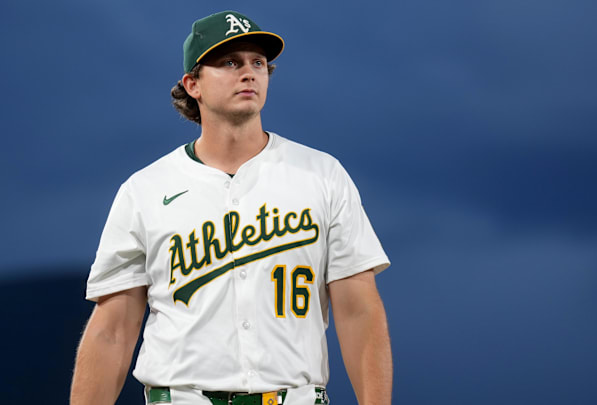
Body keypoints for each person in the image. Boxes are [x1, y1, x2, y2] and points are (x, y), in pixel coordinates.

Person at [70, 11, 392, 405]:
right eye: (229, 62)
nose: (249, 72)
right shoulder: (146, 190)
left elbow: (359, 310)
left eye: (258, 62)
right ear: (193, 85)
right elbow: (113, 330)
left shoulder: (322, 175)